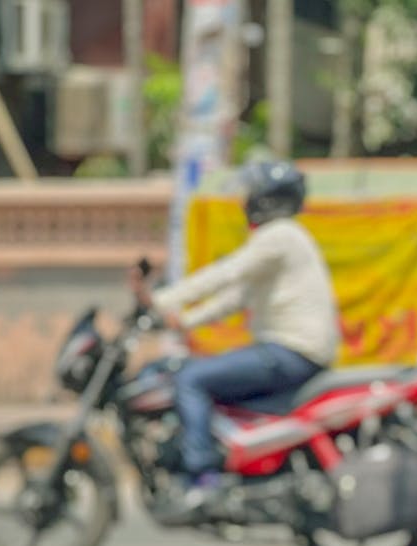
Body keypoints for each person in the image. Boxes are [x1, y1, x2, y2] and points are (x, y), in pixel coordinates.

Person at [131, 160, 340, 502]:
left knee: (190, 379)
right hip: (291, 351)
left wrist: (162, 300)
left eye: (252, 193)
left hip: (289, 351)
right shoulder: (284, 241)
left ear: (269, 198)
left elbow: (228, 273)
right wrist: (181, 321)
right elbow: (234, 299)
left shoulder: (282, 235)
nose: (246, 200)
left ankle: (201, 477)